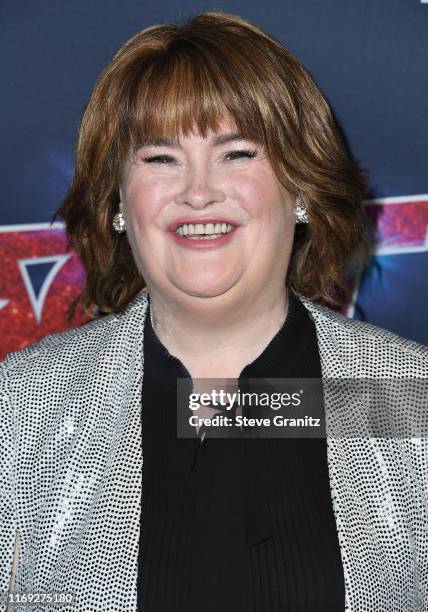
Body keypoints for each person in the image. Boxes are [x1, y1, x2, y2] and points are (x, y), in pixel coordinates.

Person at [1, 10, 427, 612]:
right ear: (119, 200)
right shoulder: (22, 410)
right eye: (159, 158)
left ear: (300, 188)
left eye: (237, 153)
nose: (198, 191)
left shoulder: (407, 398)